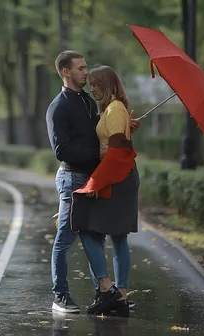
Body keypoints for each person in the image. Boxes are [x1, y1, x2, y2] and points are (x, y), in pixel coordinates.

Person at [45, 51, 142, 314]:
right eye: (81, 68)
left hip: (94, 178)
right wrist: (96, 154)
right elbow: (61, 151)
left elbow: (102, 134)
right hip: (72, 178)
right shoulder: (58, 107)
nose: (86, 73)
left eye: (86, 68)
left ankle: (105, 293)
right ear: (66, 72)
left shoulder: (88, 102)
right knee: (66, 238)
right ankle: (60, 295)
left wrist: (124, 129)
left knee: (95, 236)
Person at [73, 65, 141, 314]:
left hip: (116, 178)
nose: (91, 89)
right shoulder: (115, 109)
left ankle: (107, 290)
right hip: (121, 176)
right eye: (90, 84)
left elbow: (115, 155)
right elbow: (119, 145)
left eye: (95, 84)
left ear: (107, 84)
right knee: (118, 236)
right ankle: (119, 296)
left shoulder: (114, 110)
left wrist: (95, 183)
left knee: (87, 229)